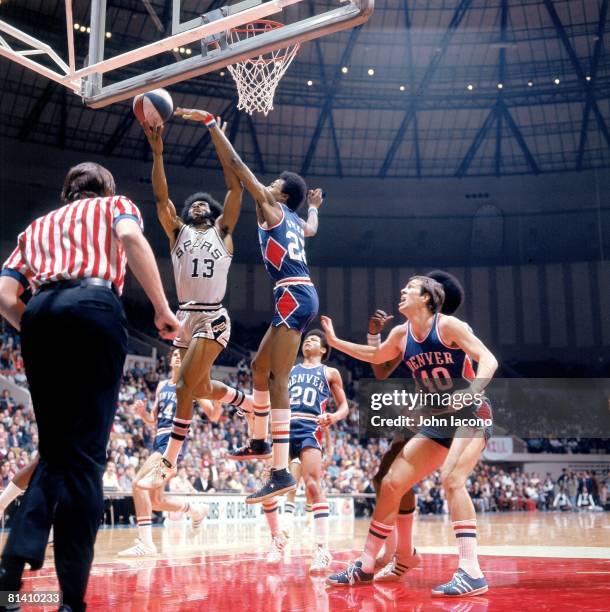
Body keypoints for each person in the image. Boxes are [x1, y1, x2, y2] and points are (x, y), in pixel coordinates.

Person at [0, 161, 178, 612]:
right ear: (106, 189)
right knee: (84, 461)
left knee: (55, 454)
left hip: (39, 312)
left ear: (67, 191)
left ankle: (9, 575)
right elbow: (132, 239)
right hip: (94, 304)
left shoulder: (36, 227)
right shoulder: (115, 206)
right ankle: (70, 601)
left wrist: (35, 330)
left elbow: (4, 294)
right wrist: (161, 308)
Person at [175, 106, 323, 503]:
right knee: (259, 369)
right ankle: (259, 442)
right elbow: (310, 227)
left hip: (294, 293)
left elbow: (239, 168)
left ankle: (279, 471)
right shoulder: (295, 221)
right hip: (292, 294)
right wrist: (313, 208)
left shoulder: (272, 208)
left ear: (282, 195)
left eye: (275, 183)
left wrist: (211, 127)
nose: (269, 184)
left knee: (277, 380)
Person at [322, 274, 497, 597]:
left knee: (452, 479)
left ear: (428, 298)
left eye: (410, 288)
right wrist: (335, 343)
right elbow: (376, 358)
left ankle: (472, 571)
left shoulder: (448, 327)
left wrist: (470, 391)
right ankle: (365, 564)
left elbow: (488, 359)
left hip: (470, 412)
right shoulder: (401, 334)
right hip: (438, 420)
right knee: (391, 483)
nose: (401, 292)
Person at [136, 120, 255, 490]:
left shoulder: (224, 233)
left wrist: (216, 137)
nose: (199, 203)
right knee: (201, 390)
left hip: (214, 318)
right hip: (186, 317)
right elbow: (160, 199)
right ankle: (248, 403)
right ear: (188, 213)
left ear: (215, 213)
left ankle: (168, 460)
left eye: (206, 203)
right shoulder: (176, 231)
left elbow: (235, 185)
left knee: (184, 385)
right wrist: (157, 152)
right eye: (194, 203)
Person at [367, 270, 465, 582]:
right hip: (425, 408)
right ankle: (403, 553)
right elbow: (381, 371)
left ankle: (401, 553)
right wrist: (374, 336)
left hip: (449, 412)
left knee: (398, 480)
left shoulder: (448, 330)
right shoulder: (410, 331)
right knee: (386, 479)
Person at [261, 330, 348, 572]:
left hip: (311, 427)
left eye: (314, 340)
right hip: (286, 427)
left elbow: (344, 407)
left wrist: (333, 417)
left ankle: (322, 549)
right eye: (306, 339)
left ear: (322, 349)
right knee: (268, 484)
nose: (308, 341)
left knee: (312, 485)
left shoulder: (330, 373)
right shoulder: (290, 369)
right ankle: (277, 538)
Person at [118, 349, 217, 557]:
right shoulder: (162, 386)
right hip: (159, 440)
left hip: (173, 443)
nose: (178, 356)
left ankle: (146, 543)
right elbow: (153, 419)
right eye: (174, 354)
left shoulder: (192, 383)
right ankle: (196, 510)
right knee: (156, 501)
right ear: (170, 361)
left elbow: (213, 414)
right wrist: (142, 413)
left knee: (138, 483)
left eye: (183, 353)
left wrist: (218, 397)